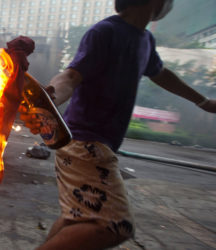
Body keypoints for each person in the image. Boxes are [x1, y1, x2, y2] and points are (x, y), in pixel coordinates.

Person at [19, 0, 216, 249]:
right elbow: (71, 76)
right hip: (84, 142)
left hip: (98, 144)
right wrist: (50, 100)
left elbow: (161, 74)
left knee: (77, 218)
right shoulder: (105, 32)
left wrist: (202, 101)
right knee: (113, 225)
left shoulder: (145, 40)